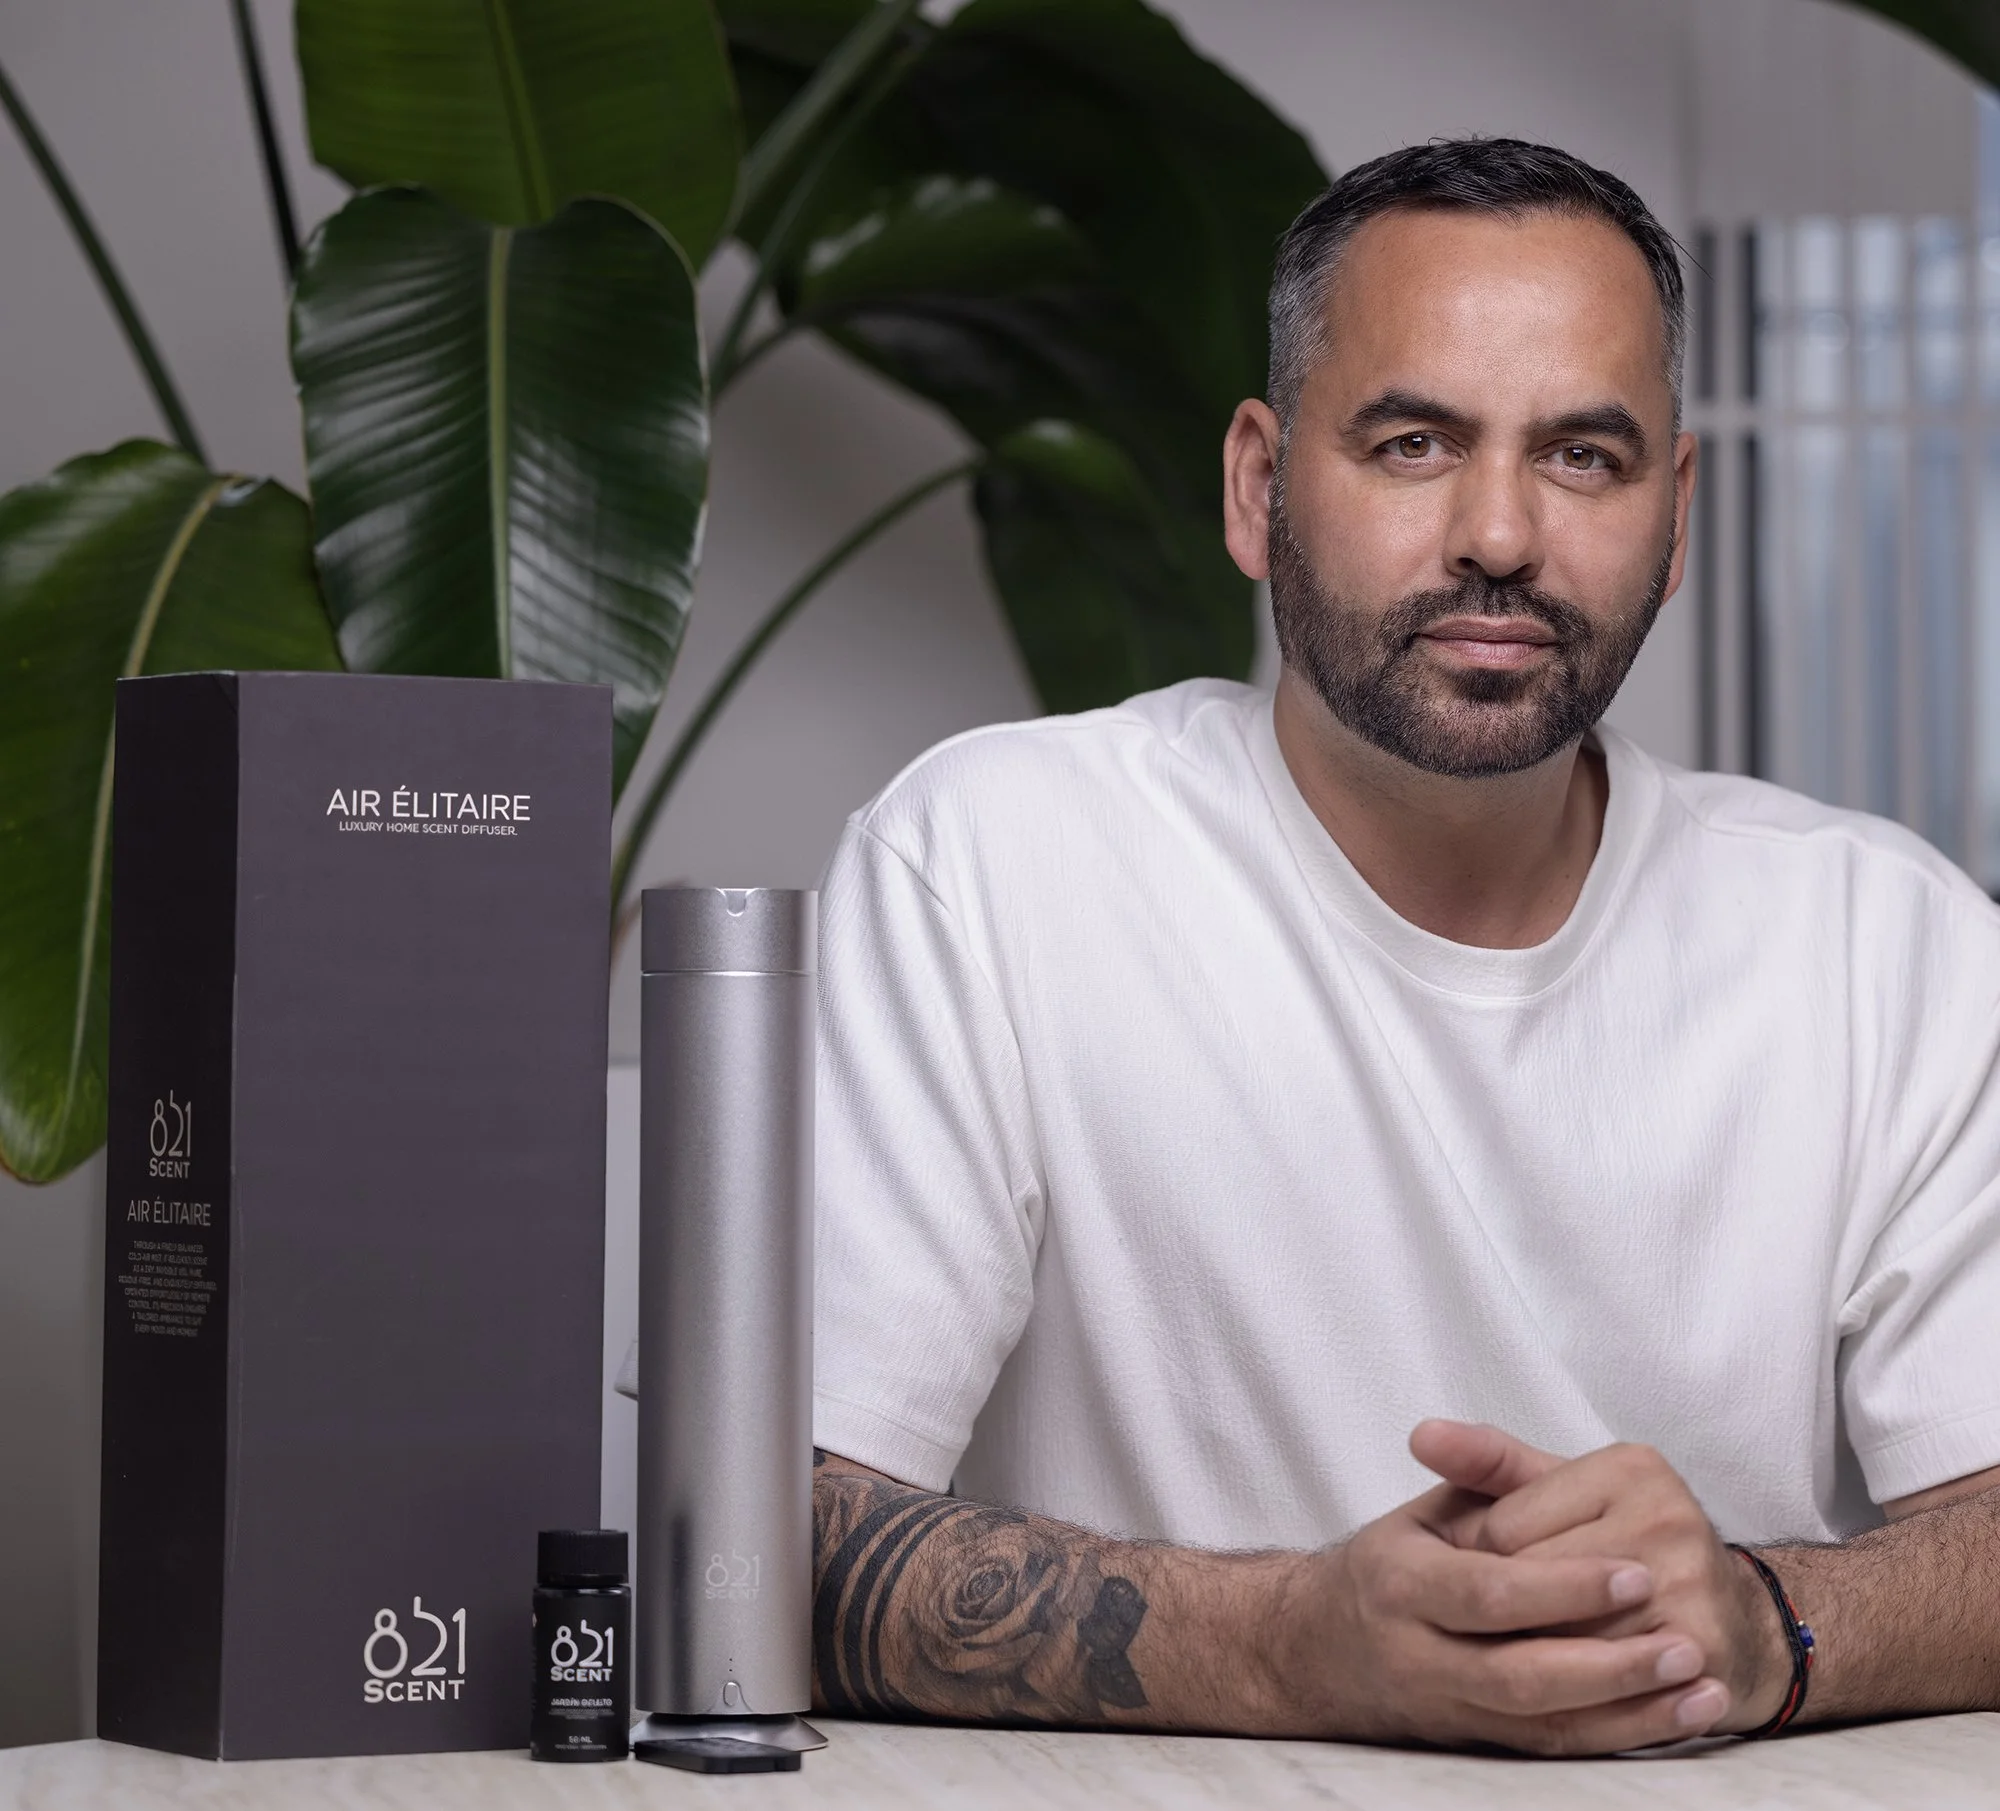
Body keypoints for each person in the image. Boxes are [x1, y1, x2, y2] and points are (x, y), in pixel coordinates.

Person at [808, 138, 2000, 1755]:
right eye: (1414, 442)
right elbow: (754, 1532)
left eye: (1584, 456)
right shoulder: (986, 865)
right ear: (1259, 486)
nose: (1499, 532)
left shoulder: (1891, 946)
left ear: (1676, 514)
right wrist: (1280, 1649)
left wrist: (1768, 1620)